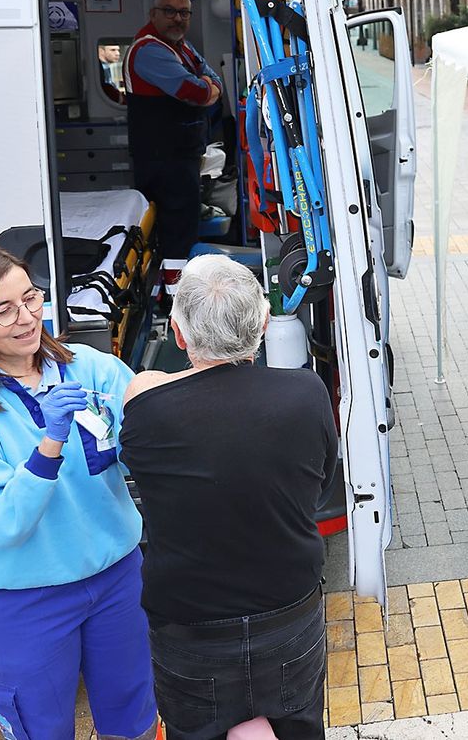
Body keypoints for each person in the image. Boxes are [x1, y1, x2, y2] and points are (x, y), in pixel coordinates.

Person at [0, 246, 157, 740]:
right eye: (3, 310)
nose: (27, 318)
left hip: (116, 580)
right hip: (23, 600)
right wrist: (48, 444)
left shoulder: (91, 368)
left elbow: (153, 431)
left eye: (30, 298)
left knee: (135, 719)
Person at [122, 256, 337, 740]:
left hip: (190, 626)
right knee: (299, 729)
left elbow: (148, 385)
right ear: (263, 324)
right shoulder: (306, 392)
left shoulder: (146, 401)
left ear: (178, 336)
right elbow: (320, 486)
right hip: (289, 613)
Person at [126, 0, 224, 299]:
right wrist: (207, 88)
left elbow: (213, 81)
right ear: (153, 14)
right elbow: (194, 92)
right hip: (161, 157)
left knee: (182, 222)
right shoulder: (149, 50)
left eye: (184, 13)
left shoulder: (181, 47)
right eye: (169, 12)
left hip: (180, 154)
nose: (177, 19)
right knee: (175, 227)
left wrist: (208, 86)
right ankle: (175, 295)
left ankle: (171, 287)